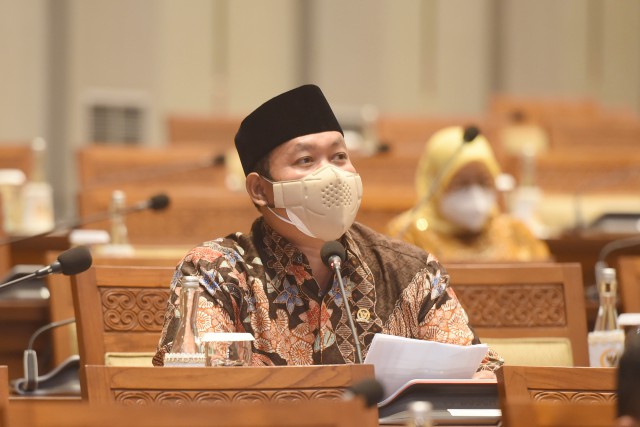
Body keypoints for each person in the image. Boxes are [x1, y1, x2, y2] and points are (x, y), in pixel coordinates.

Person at [154, 85, 502, 374]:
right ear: (260, 190)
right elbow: (191, 390)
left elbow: (481, 374)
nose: (332, 175)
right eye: (305, 160)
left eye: (339, 157)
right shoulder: (215, 273)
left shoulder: (410, 271)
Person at [387, 126, 550, 262]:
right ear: (435, 185)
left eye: (484, 181)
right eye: (462, 184)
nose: (475, 194)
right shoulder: (408, 236)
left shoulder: (515, 232)